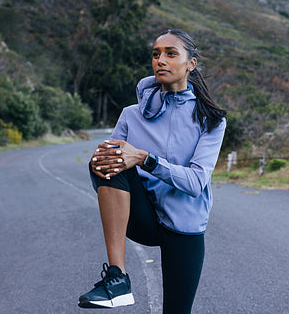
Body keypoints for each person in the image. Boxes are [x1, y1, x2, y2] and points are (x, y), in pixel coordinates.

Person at [78, 29, 227, 313]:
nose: (161, 60)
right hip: (142, 215)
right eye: (156, 54)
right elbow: (108, 170)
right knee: (105, 160)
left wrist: (146, 158)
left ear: (190, 64)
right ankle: (117, 278)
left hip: (184, 225)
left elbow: (196, 182)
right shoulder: (130, 115)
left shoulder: (211, 120)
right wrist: (118, 159)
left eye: (171, 54)